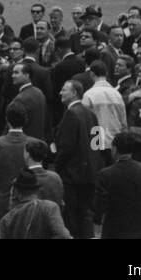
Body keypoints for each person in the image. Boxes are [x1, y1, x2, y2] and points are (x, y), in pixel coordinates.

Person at [95, 131, 141, 238]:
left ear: (114, 149)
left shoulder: (105, 174)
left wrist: (97, 218)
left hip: (115, 231)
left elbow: (99, 206)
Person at [54, 78, 101, 240]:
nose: (60, 92)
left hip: (72, 174)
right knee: (86, 213)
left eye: (63, 89)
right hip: (91, 172)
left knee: (71, 216)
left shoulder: (71, 113)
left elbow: (66, 147)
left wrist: (57, 166)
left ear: (74, 93)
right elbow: (97, 143)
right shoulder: (92, 114)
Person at [0, 101, 30, 219]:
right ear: (25, 119)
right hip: (27, 198)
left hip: (4, 196)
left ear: (7, 120)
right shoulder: (34, 143)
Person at [0, 170, 71, 239]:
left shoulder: (6, 220)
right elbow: (64, 236)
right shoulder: (49, 208)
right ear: (37, 190)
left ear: (17, 192)